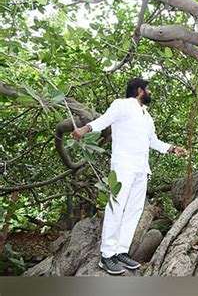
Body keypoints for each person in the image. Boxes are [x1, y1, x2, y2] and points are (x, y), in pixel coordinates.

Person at [73, 77, 186, 275]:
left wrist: (173, 149)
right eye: (149, 89)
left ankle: (121, 252)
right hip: (123, 165)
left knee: (134, 210)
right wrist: (85, 129)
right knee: (116, 207)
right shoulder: (122, 105)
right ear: (140, 90)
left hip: (141, 168)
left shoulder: (147, 116)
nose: (151, 93)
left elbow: (153, 141)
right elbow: (104, 120)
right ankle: (107, 256)